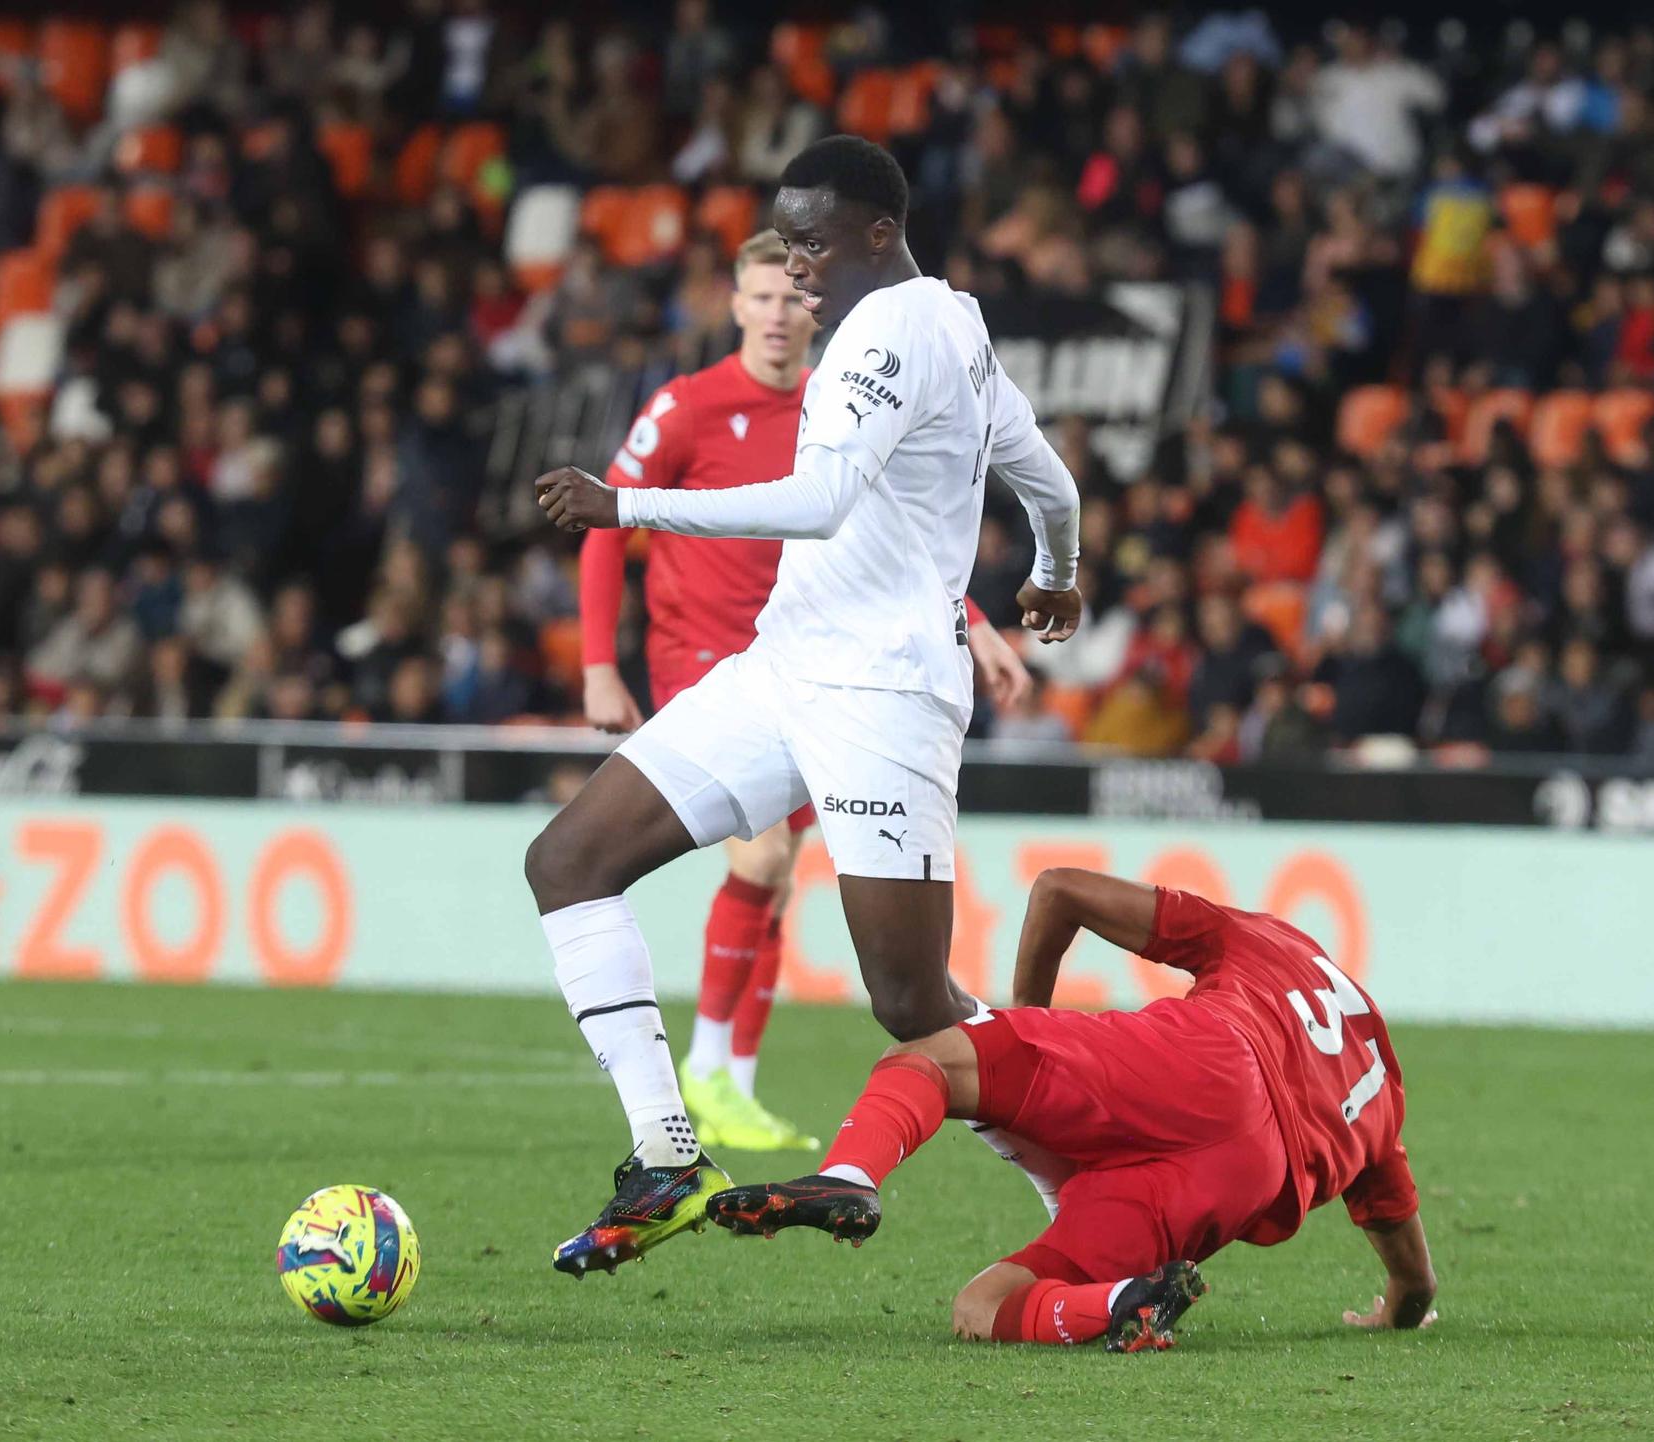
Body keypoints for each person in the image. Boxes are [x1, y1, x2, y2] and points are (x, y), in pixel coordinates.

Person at [532, 135, 1083, 1277]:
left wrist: (627, 506)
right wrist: (1054, 571)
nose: (799, 267)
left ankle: (1084, 1174)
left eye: (817, 243)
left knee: (908, 998)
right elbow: (1045, 477)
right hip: (784, 667)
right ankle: (667, 1154)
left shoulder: (887, 331)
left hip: (880, 695)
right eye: (785, 242)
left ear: (880, 234)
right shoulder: (960, 327)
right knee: (568, 861)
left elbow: (824, 498)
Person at [579, 229, 1033, 1151]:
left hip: (838, 662)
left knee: (801, 905)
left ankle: (731, 1077)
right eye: (760, 299)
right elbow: (603, 526)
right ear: (735, 307)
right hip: (713, 655)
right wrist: (597, 660)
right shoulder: (686, 405)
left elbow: (899, 534)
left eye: (791, 298)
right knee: (761, 866)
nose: (780, 315)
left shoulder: (851, 389)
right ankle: (707, 1069)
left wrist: (975, 625)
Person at [708, 867, 1438, 1354]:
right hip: (1246, 1180)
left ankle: (849, 1175)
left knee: (928, 1059)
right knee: (986, 1306)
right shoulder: (1383, 1096)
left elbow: (1058, 891)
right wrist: (1390, 1314)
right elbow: (1414, 1286)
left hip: (1211, 1062)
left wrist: (1022, 1025)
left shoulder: (1265, 937)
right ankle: (1125, 1302)